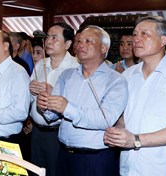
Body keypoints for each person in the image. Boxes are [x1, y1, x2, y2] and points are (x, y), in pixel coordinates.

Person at [104, 16, 166, 175]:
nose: (136, 39)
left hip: (163, 168)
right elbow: (125, 119)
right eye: (135, 34)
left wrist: (136, 140)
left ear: (163, 40)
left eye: (144, 34)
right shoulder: (127, 75)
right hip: (129, 166)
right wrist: (116, 132)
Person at [37, 26, 128, 175]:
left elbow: (105, 119)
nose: (81, 45)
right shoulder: (67, 75)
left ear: (104, 48)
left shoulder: (116, 80)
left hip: (96, 158)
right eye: (79, 41)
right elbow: (52, 116)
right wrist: (44, 106)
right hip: (64, 154)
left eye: (88, 41)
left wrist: (67, 108)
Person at [28, 23, 79, 176]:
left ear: (68, 44)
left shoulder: (75, 68)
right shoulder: (40, 64)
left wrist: (52, 92)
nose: (48, 41)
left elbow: (76, 102)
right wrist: (31, 90)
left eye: (54, 38)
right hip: (37, 130)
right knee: (35, 171)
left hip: (58, 132)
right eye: (48, 37)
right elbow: (31, 98)